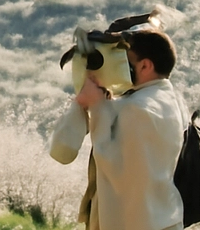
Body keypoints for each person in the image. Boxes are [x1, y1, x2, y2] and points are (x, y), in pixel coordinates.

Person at [72, 28, 185, 230]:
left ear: (145, 65)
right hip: (162, 218)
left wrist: (97, 106)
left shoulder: (138, 109)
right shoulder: (166, 98)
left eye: (125, 60)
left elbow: (115, 166)